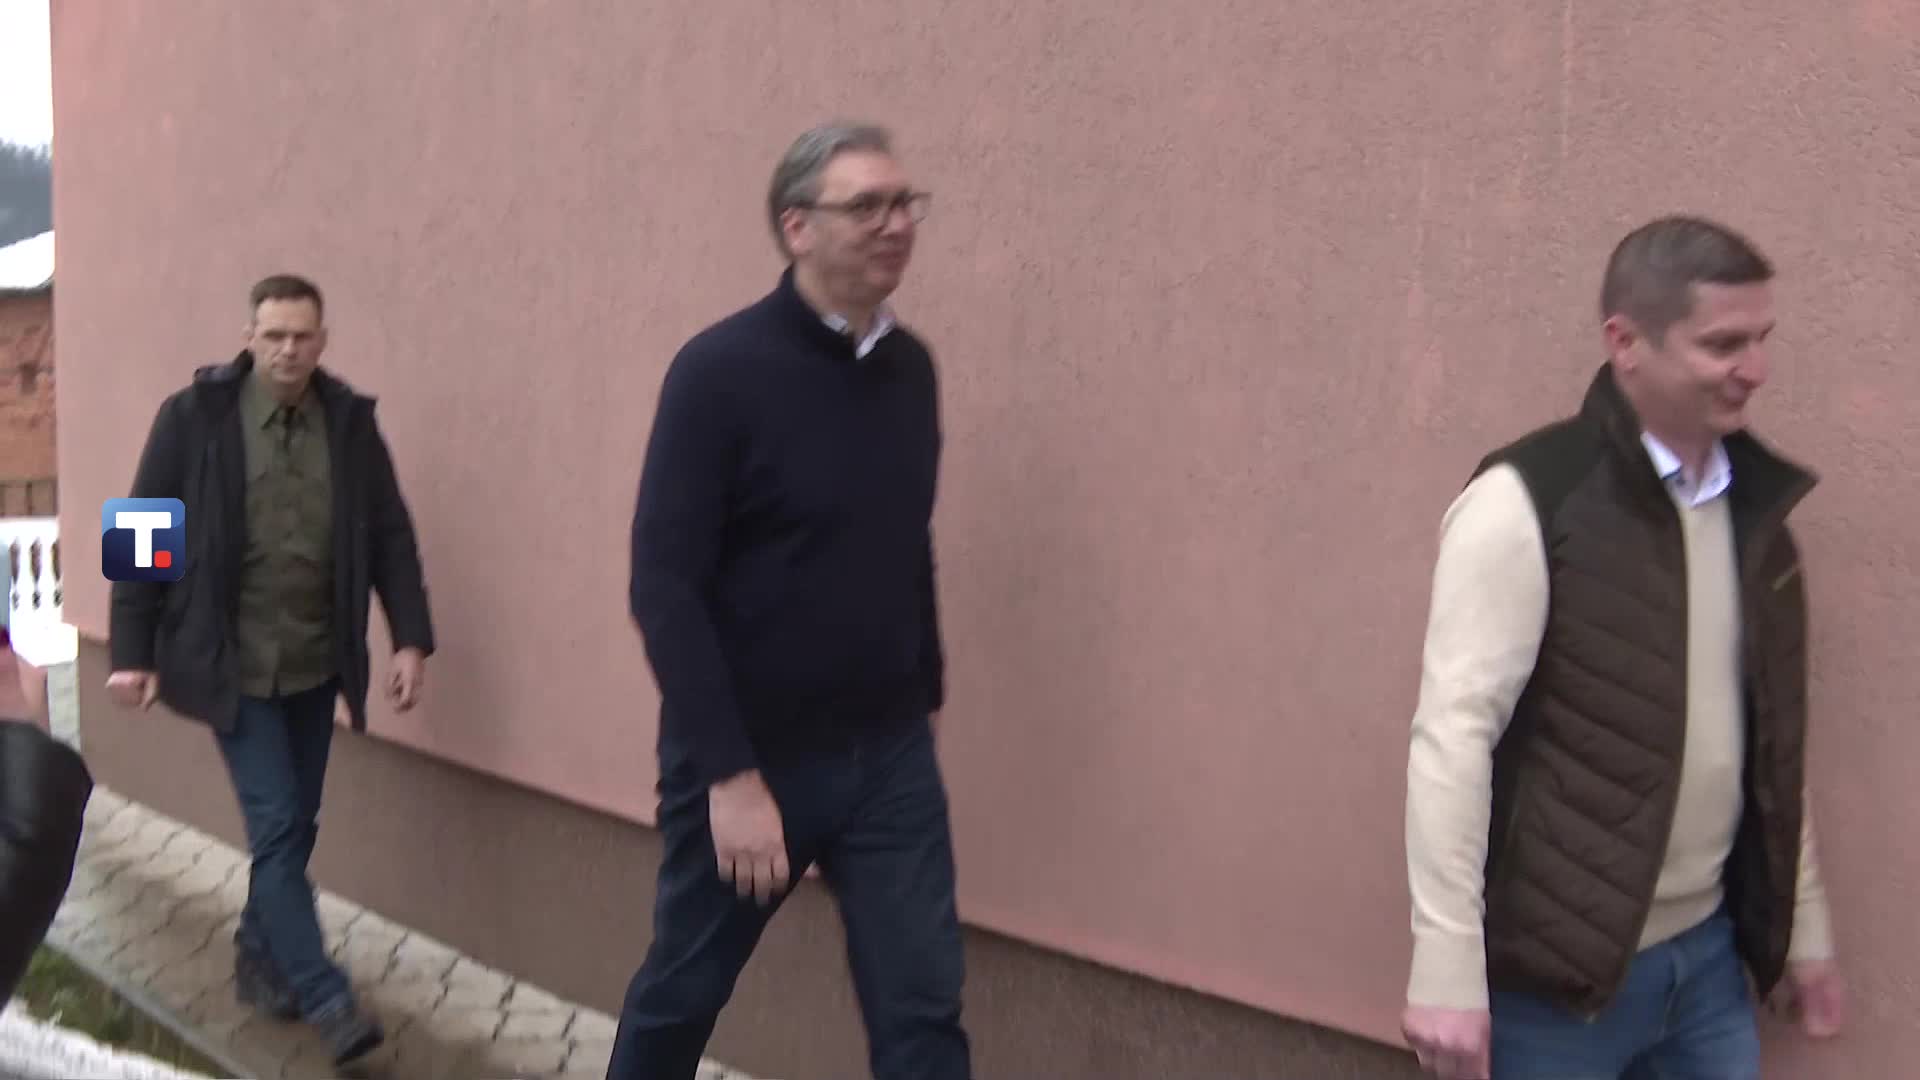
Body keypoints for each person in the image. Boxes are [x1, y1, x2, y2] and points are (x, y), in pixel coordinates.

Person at [1399, 215, 1849, 1079]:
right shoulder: (1529, 500)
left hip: (1709, 969)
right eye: (1723, 344)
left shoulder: (1754, 516)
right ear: (1626, 343)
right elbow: (1453, 740)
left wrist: (1803, 928)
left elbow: (1773, 747)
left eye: (1762, 339)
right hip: (1553, 991)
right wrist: (1445, 966)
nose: (1755, 369)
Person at [609, 122, 970, 1080]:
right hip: (752, 755)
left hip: (889, 760)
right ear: (797, 227)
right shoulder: (718, 373)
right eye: (867, 206)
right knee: (684, 993)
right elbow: (663, 584)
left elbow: (905, 546)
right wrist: (730, 777)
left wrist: (925, 695)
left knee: (924, 1011)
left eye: (905, 203)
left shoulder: (910, 371)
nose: (896, 224)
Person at [105, 274, 434, 1066]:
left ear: (323, 342)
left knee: (294, 827)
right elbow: (145, 527)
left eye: (302, 336)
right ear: (249, 337)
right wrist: (131, 652)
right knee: (280, 825)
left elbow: (391, 534)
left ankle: (259, 959)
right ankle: (324, 996)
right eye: (274, 334)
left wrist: (410, 640)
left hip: (317, 664)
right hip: (232, 668)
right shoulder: (194, 417)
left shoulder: (349, 426)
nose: (288, 349)